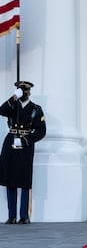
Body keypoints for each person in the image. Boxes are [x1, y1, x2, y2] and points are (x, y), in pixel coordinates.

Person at [0, 81, 46, 224]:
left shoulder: (36, 109)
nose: (22, 93)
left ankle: (24, 216)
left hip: (25, 145)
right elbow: (1, 111)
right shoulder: (13, 105)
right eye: (20, 90)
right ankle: (12, 216)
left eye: (24, 91)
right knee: (10, 180)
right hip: (10, 143)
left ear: (29, 92)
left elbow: (41, 131)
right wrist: (13, 97)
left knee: (25, 181)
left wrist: (26, 140)